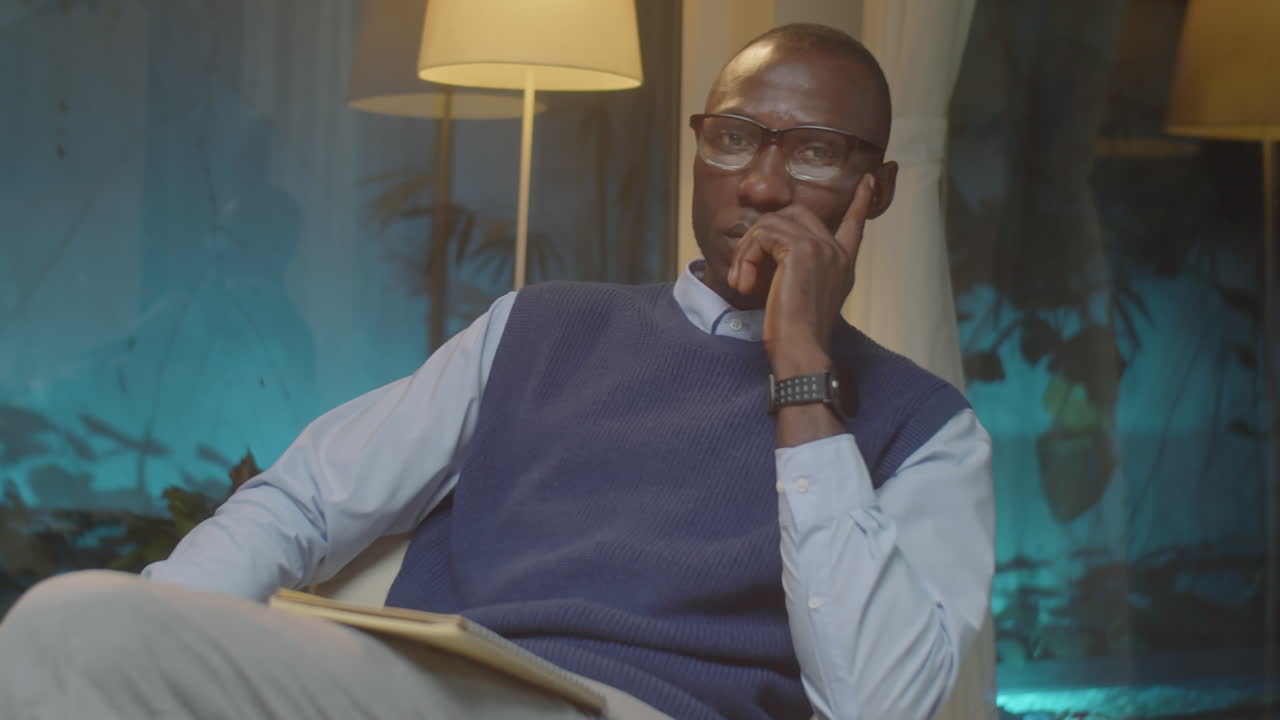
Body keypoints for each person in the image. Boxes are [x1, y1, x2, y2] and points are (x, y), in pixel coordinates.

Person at [0, 22, 993, 720]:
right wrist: (168, 628)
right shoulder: (539, 324)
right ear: (699, 151)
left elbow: (876, 703)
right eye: (734, 138)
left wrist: (802, 372)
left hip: (638, 712)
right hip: (429, 684)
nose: (764, 182)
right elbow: (302, 503)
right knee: (72, 623)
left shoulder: (926, 427)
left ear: (876, 189)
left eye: (813, 153)